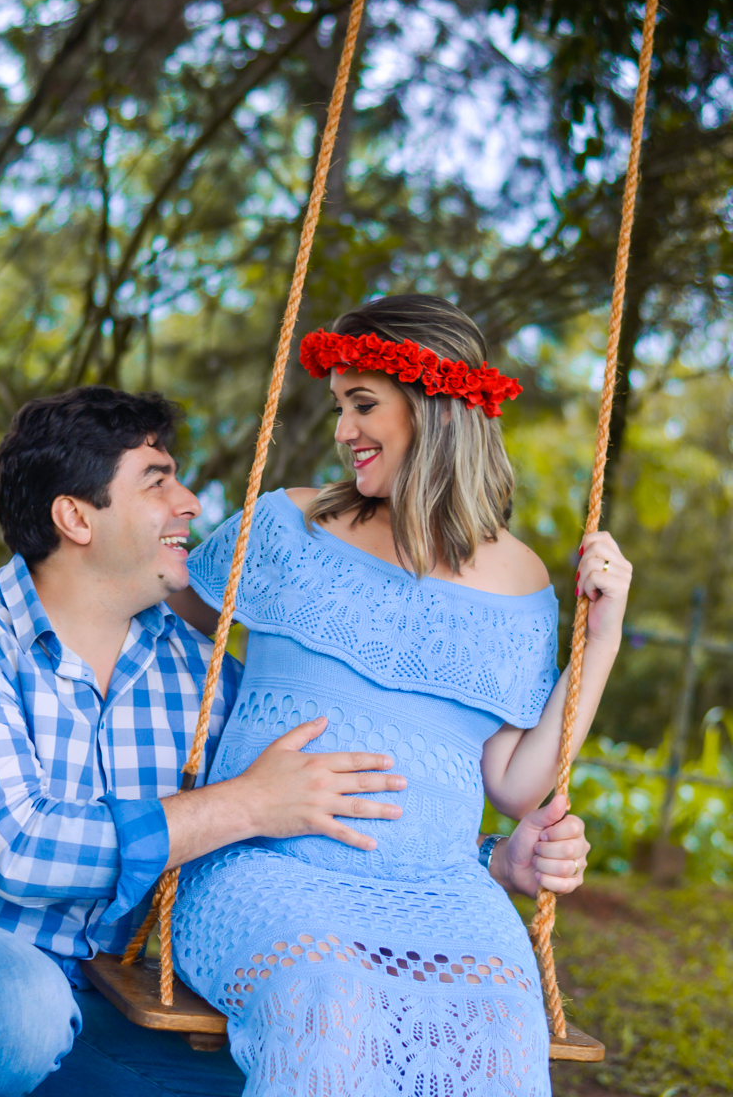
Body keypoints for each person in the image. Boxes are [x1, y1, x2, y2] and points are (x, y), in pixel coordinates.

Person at [0, 384, 590, 1097]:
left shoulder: (194, 671)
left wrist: (495, 862)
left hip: (93, 996)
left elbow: (307, 800)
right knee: (19, 1011)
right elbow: (20, 849)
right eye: (158, 483)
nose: (190, 503)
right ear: (75, 517)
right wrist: (245, 805)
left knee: (293, 1062)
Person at [169, 294, 632, 1097]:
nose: (345, 429)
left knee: (496, 1024)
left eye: (364, 404)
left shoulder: (519, 578)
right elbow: (169, 595)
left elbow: (517, 783)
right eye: (340, 405)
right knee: (330, 1004)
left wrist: (608, 634)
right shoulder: (286, 525)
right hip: (269, 869)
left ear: (432, 407)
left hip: (442, 891)